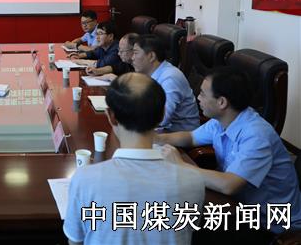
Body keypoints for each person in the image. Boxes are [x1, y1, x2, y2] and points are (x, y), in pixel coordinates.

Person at [156, 67, 301, 240]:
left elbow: (230, 184)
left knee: (178, 224)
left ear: (222, 102)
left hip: (271, 225)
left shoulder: (256, 135)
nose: (198, 97)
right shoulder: (223, 120)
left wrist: (181, 166)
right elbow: (190, 137)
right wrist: (154, 138)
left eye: (202, 94)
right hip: (238, 206)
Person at [63, 72, 205, 245]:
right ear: (162, 115)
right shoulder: (194, 181)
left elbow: (75, 241)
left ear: (111, 116)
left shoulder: (85, 179)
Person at [132, 34, 199, 132]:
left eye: (135, 53)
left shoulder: (170, 77)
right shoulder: (149, 73)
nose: (132, 58)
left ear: (151, 56)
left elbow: (162, 119)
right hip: (163, 131)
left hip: (181, 135)